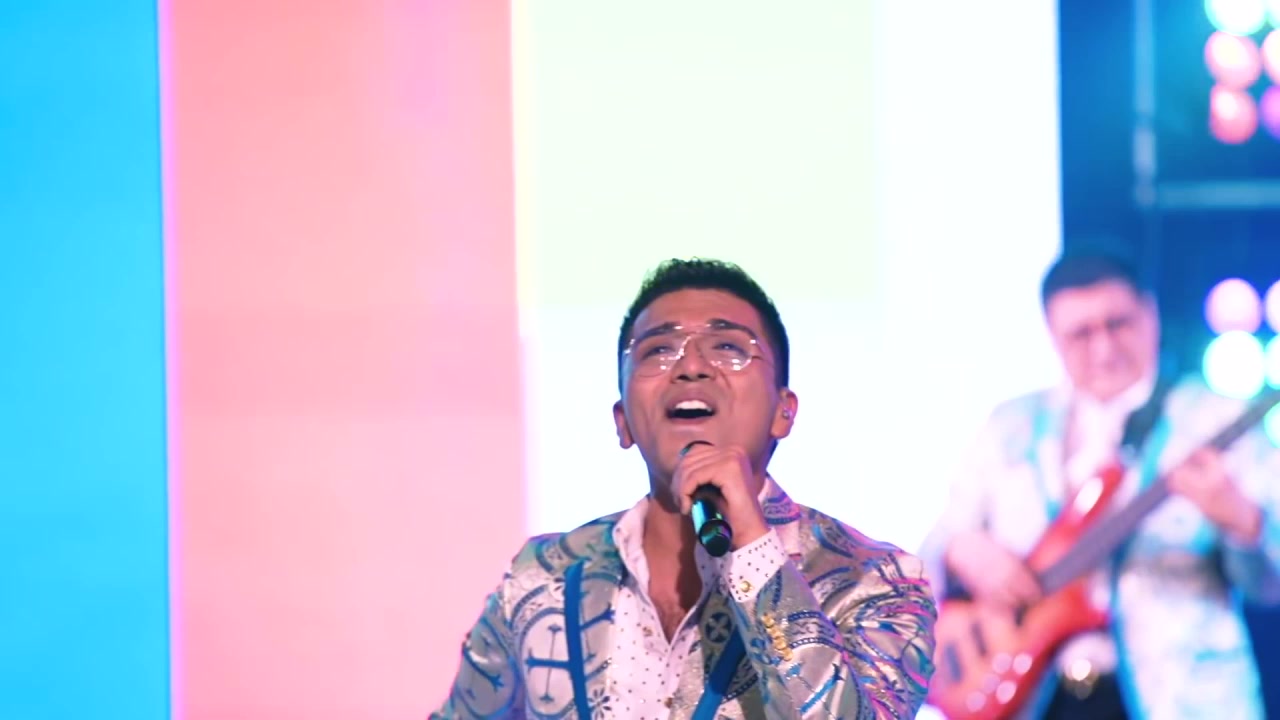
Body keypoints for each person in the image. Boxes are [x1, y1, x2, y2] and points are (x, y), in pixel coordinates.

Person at [432, 258, 936, 719]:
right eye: (658, 350)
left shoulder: (876, 582)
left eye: (729, 348)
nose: (691, 366)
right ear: (623, 421)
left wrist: (753, 549)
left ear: (784, 412)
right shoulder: (543, 576)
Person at [919, 250, 1280, 720]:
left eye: (1118, 324)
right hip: (1037, 698)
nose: (1104, 349)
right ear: (1052, 335)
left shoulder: (1216, 420)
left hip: (1179, 699)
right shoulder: (1011, 423)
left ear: (1149, 314)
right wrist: (962, 550)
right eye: (1081, 334)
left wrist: (1242, 520)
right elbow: (937, 544)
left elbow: (1269, 584)